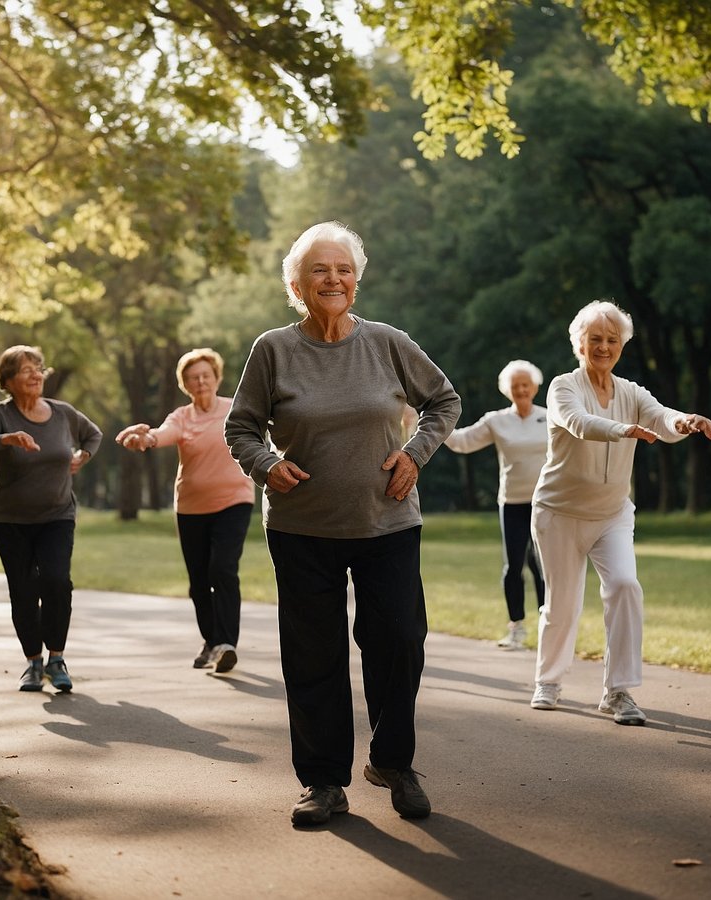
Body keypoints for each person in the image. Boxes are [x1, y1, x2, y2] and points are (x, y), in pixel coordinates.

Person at [224, 221, 461, 827]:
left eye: (343, 270)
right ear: (297, 285)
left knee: (399, 643)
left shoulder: (386, 341)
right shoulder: (273, 350)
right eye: (319, 271)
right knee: (313, 655)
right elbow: (241, 427)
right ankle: (325, 781)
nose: (333, 279)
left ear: (356, 280)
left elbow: (444, 401)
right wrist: (265, 464)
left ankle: (393, 762)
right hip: (303, 530)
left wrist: (415, 453)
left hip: (387, 524)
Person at [528, 301, 711, 725]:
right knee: (561, 603)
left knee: (625, 586)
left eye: (612, 340)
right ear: (579, 343)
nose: (603, 346)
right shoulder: (563, 386)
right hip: (558, 513)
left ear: (622, 346)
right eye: (595, 339)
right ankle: (549, 681)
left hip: (611, 513)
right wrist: (622, 430)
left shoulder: (631, 392)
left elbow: (661, 417)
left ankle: (618, 692)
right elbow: (577, 422)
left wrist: (684, 421)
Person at [0, 345, 102, 693]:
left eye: (39, 368)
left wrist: (83, 455)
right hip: (11, 520)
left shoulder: (63, 413)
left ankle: (56, 658)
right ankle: (33, 664)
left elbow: (93, 435)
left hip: (57, 514)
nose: (36, 375)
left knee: (56, 581)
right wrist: (3, 439)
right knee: (23, 591)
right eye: (26, 370)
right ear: (8, 380)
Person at [115, 348, 255, 674]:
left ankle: (226, 644)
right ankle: (212, 641)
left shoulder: (236, 409)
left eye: (206, 375)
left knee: (222, 568)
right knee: (198, 581)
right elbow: (162, 435)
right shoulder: (182, 417)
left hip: (234, 501)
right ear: (185, 384)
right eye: (193, 377)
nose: (201, 381)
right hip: (191, 508)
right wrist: (145, 438)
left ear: (217, 377)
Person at [445, 360, 548, 650]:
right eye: (515, 386)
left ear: (535, 387)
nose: (521, 389)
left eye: (525, 384)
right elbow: (462, 442)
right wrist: (430, 423)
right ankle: (516, 628)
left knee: (544, 566)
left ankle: (549, 628)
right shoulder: (496, 420)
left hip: (546, 503)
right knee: (513, 565)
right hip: (513, 502)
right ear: (507, 390)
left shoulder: (552, 417)